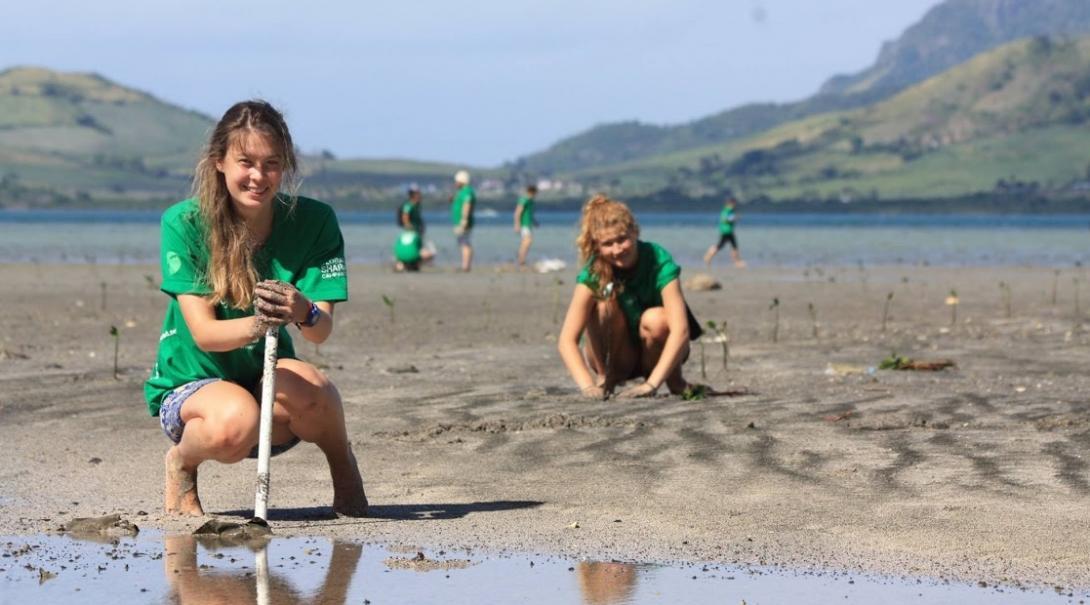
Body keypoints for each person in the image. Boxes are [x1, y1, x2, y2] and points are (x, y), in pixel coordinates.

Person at [144, 100, 368, 518]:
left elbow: (320, 332)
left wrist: (303, 310)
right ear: (219, 163)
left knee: (313, 393)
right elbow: (206, 335)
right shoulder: (184, 223)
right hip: (194, 384)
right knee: (236, 422)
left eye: (271, 164)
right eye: (245, 162)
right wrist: (262, 320)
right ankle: (182, 462)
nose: (258, 177)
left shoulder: (314, 221)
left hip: (265, 375)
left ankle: (344, 468)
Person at [558, 194, 703, 399]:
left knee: (657, 319)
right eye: (608, 244)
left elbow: (681, 330)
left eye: (622, 239)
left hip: (653, 353)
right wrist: (587, 386)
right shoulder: (593, 271)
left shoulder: (657, 258)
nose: (617, 250)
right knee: (603, 306)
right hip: (618, 358)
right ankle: (604, 379)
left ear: (635, 231)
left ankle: (674, 381)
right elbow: (566, 340)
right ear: (596, 246)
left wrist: (651, 385)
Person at [394, 184, 434, 272]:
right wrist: (409, 227)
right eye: (418, 193)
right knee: (415, 248)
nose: (420, 195)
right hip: (412, 232)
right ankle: (403, 264)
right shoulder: (408, 205)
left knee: (418, 248)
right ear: (413, 195)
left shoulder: (417, 205)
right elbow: (405, 217)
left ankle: (410, 265)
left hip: (418, 231)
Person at [703, 196, 746, 267]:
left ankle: (737, 262)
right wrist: (734, 218)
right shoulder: (726, 211)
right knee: (721, 246)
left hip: (729, 231)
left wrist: (734, 218)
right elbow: (724, 219)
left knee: (734, 246)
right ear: (730, 204)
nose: (734, 205)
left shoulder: (730, 211)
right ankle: (708, 256)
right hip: (726, 232)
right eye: (733, 204)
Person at [450, 169, 476, 272]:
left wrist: (464, 220)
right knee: (462, 242)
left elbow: (467, 205)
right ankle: (464, 264)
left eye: (457, 181)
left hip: (464, 222)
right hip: (460, 221)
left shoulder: (467, 192)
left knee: (465, 243)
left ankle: (466, 266)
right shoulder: (462, 192)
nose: (455, 183)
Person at [513, 184, 538, 269]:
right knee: (527, 241)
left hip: (528, 224)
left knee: (526, 242)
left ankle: (521, 260)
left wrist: (534, 222)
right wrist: (517, 224)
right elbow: (518, 212)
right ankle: (521, 261)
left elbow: (529, 213)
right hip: (524, 224)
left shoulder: (531, 201)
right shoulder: (524, 200)